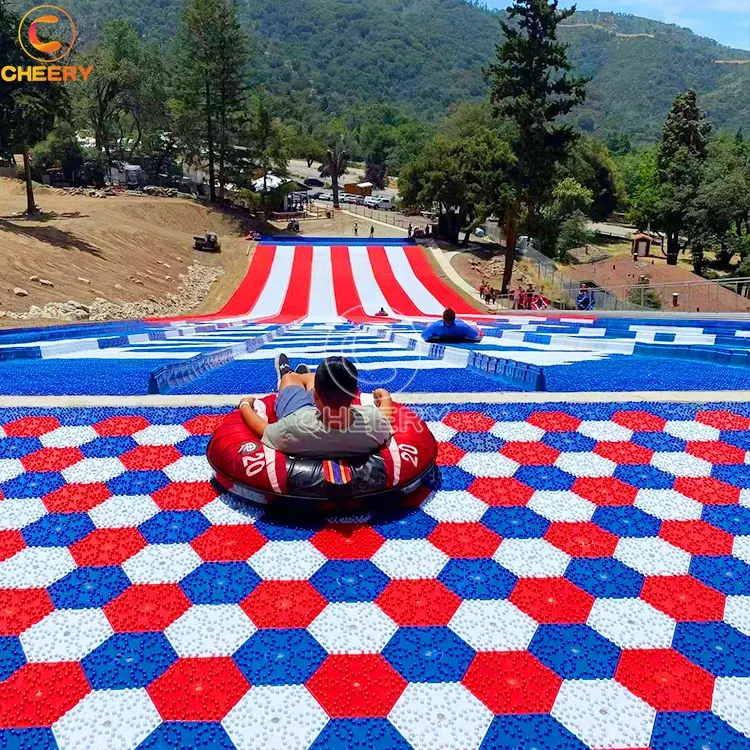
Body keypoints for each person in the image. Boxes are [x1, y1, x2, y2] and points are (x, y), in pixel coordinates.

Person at [238, 355, 393, 458]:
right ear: (355, 394)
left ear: (315, 395)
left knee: (290, 380)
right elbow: (386, 418)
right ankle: (305, 377)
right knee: (314, 380)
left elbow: (263, 430)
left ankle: (289, 373)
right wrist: (385, 395)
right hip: (325, 410)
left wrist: (245, 404)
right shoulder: (373, 423)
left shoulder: (293, 426)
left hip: (303, 415)